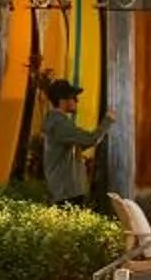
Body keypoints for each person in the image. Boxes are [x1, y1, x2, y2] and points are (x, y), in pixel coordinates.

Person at [38, 78, 109, 214]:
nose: (77, 101)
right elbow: (89, 139)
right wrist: (108, 121)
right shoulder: (60, 123)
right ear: (62, 100)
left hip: (66, 191)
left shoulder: (59, 122)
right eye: (73, 97)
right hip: (67, 193)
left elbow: (76, 146)